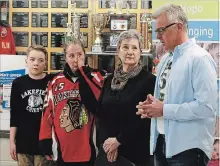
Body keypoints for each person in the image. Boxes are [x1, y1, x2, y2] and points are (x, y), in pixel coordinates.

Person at [136, 4, 217, 166]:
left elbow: (206, 108)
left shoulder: (200, 59)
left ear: (179, 26)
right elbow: (167, 100)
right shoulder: (166, 59)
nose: (158, 36)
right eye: (156, 31)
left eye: (161, 30)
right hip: (162, 144)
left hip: (188, 149)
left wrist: (164, 109)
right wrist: (152, 106)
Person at [39, 39, 105, 166]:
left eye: (80, 54)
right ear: (65, 58)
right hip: (62, 149)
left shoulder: (96, 77)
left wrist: (85, 75)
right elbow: (47, 113)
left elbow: (100, 107)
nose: (76, 60)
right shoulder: (55, 81)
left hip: (88, 148)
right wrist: (45, 139)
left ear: (85, 55)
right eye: (71, 56)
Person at [96, 30, 156, 166]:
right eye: (125, 47)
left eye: (134, 48)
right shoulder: (109, 80)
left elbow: (145, 119)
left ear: (140, 52)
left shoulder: (149, 81)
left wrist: (118, 141)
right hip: (108, 152)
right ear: (118, 51)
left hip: (135, 154)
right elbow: (101, 113)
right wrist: (108, 143)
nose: (130, 52)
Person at [9, 45, 56, 166]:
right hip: (23, 142)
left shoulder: (52, 81)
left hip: (45, 143)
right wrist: (11, 142)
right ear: (26, 61)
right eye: (32, 59)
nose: (36, 63)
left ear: (45, 63)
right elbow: (14, 115)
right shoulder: (18, 83)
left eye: (41, 60)